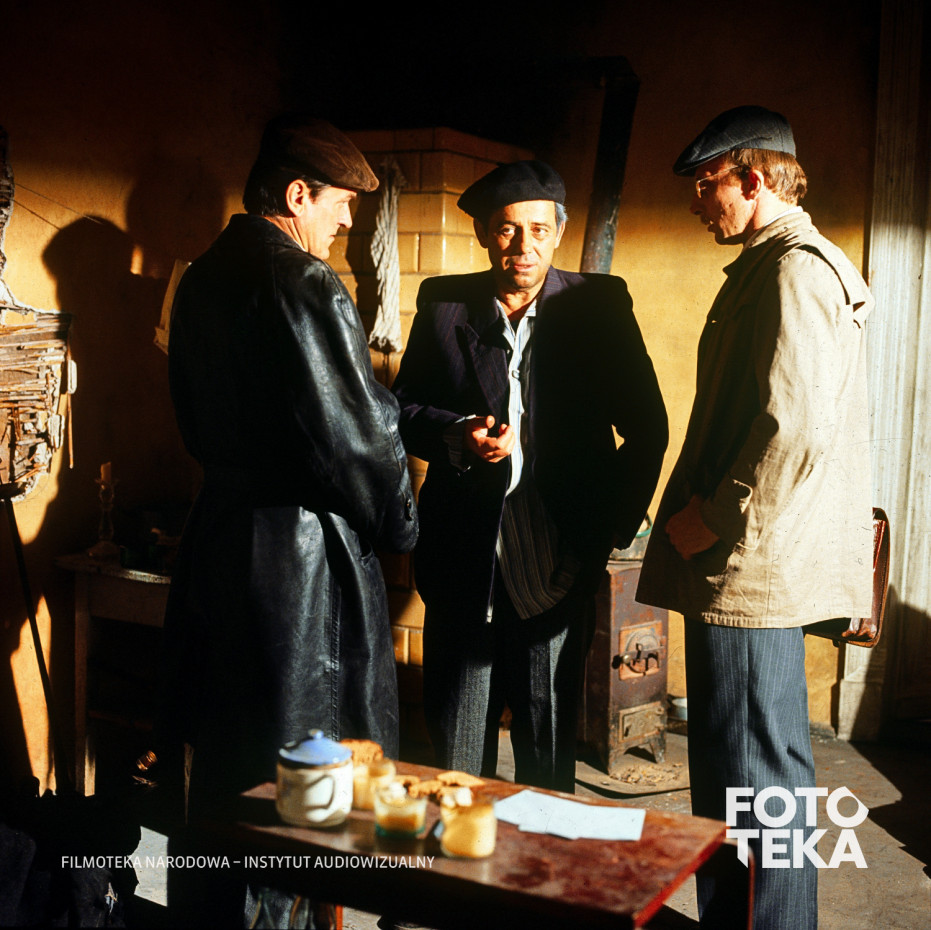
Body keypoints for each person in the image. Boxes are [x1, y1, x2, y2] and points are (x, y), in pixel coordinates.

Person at [161, 114, 418, 923]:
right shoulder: (304, 282)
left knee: (229, 774)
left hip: (220, 543)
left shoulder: (201, 275)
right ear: (297, 194)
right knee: (303, 790)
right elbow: (356, 441)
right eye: (340, 203)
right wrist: (402, 527)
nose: (346, 223)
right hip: (299, 566)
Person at [637, 106, 874, 929]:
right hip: (742, 566)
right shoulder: (766, 265)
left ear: (751, 177)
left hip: (749, 568)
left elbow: (792, 427)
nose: (697, 203)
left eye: (706, 185)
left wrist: (715, 519)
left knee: (754, 775)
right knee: (735, 772)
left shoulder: (794, 271)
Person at [391, 160, 667, 792]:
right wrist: (457, 433)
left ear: (558, 233)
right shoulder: (445, 303)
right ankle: (463, 856)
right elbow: (400, 409)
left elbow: (648, 428)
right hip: (466, 558)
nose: (524, 246)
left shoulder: (598, 306)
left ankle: (539, 854)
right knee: (458, 764)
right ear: (485, 235)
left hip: (556, 558)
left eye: (539, 230)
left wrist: (605, 533)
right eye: (508, 230)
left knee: (546, 756)